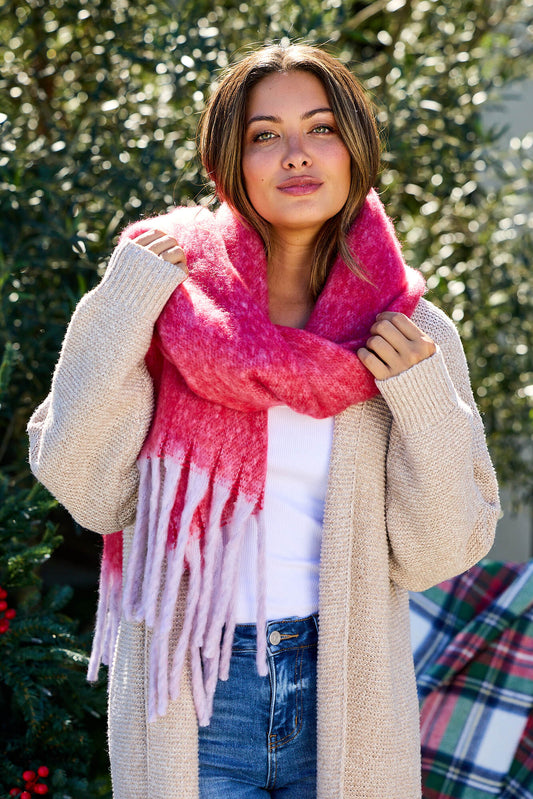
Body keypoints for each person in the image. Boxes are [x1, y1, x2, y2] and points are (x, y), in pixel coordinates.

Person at [27, 43, 500, 799]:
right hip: (198, 692)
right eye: (263, 134)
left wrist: (417, 395)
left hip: (343, 687)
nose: (295, 155)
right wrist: (120, 307)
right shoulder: (164, 304)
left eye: (319, 127)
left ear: (354, 148)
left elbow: (440, 548)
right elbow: (88, 486)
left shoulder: (408, 331)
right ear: (229, 159)